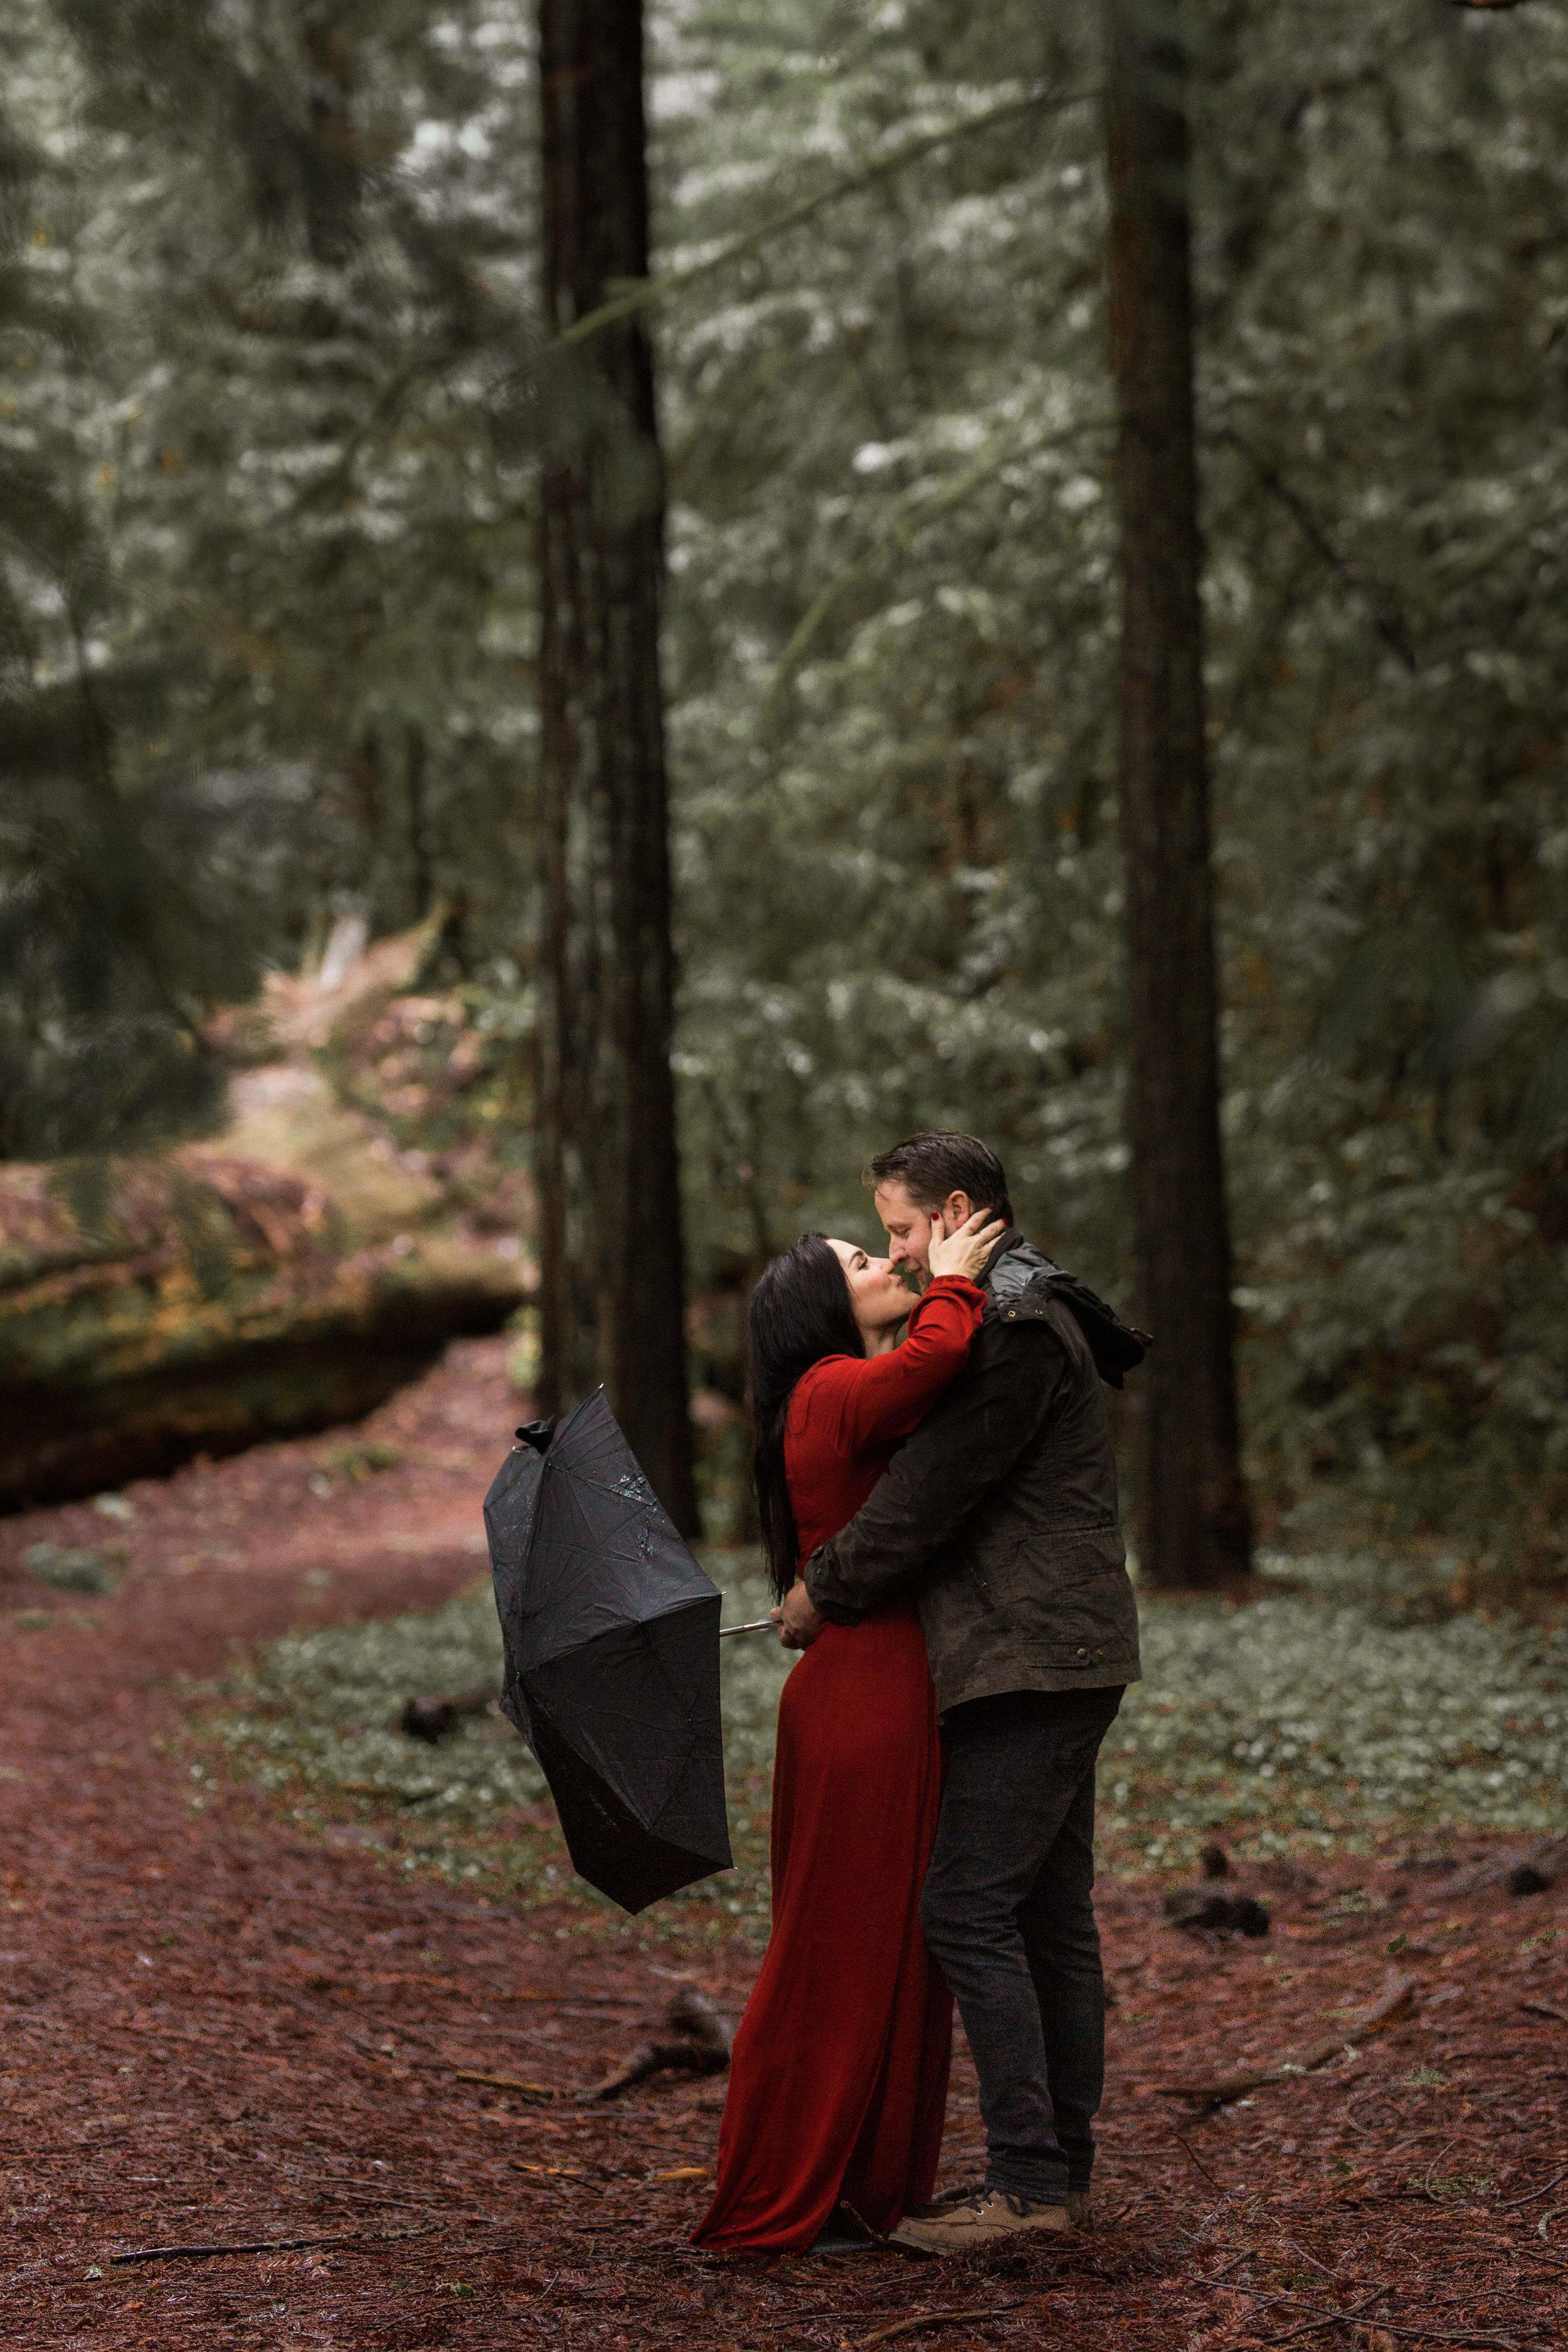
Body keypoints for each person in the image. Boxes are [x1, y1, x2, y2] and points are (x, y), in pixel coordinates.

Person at [776, 1131, 1144, 2256]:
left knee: (968, 1909)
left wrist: (819, 1591)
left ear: (954, 1211)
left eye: (898, 1227)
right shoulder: (1012, 1307)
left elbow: (930, 1494)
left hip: (1030, 1655)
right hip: (1047, 1651)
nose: (893, 1250)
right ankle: (1056, 2176)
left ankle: (1031, 2181)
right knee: (1043, 1915)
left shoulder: (1013, 1324)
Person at [693, 1205, 1004, 2255]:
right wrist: (956, 1279)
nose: (887, 1263)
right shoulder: (828, 1389)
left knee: (895, 1946)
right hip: (865, 1700)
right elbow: (926, 1366)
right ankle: (788, 2183)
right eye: (863, 1260)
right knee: (839, 1945)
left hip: (879, 1687)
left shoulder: (830, 1399)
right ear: (826, 1306)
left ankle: (862, 2184)